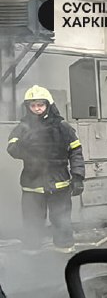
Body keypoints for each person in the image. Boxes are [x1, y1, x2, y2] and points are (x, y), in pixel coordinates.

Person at [7, 85, 84, 253]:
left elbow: (76, 151)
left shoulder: (62, 126)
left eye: (40, 104)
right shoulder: (23, 127)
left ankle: (64, 253)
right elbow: (11, 148)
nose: (37, 109)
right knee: (32, 221)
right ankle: (31, 253)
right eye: (33, 105)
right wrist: (24, 145)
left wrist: (78, 176)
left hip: (59, 184)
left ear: (48, 105)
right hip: (32, 184)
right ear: (27, 107)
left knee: (61, 220)